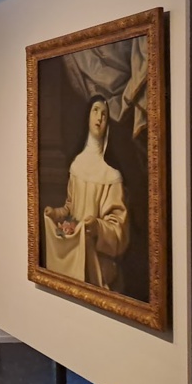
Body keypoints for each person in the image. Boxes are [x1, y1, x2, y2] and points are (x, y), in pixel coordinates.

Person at [44, 95, 129, 291]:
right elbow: (70, 209)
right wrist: (55, 214)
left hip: (98, 266)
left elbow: (120, 231)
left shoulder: (112, 176)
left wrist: (97, 227)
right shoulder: (77, 165)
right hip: (75, 257)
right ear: (87, 116)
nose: (100, 117)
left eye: (105, 114)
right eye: (96, 110)